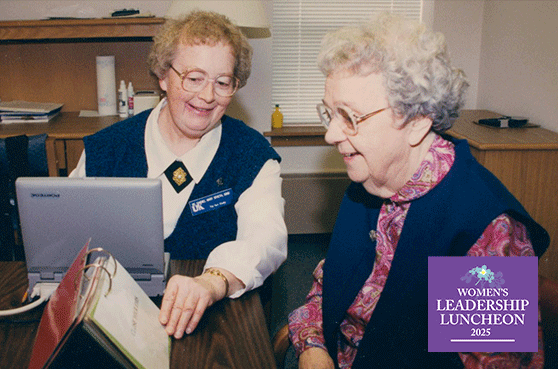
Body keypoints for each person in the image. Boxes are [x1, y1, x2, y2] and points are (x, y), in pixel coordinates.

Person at [288, 12, 549, 369]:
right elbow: (328, 284)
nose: (331, 134)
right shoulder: (369, 181)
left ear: (415, 124)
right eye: (329, 114)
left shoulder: (482, 229)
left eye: (349, 116)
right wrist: (311, 348)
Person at [70, 10, 287, 339]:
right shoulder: (106, 149)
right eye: (194, 78)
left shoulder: (252, 156)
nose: (207, 96)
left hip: (215, 320)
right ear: (163, 75)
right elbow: (68, 236)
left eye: (222, 82)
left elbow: (266, 238)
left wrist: (212, 281)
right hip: (113, 316)